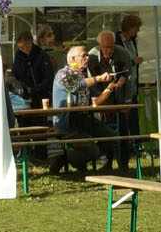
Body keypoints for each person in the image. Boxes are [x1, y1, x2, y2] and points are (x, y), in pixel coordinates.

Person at [48, 45, 115, 173]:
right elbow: (75, 86)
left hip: (84, 119)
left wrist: (110, 88)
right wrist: (98, 78)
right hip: (68, 123)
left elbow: (96, 101)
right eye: (83, 55)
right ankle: (63, 158)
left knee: (110, 136)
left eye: (87, 55)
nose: (87, 58)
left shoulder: (83, 76)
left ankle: (105, 166)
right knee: (92, 151)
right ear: (73, 59)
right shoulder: (63, 74)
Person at [91, 29, 139, 169]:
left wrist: (127, 103)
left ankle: (123, 163)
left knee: (123, 130)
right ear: (99, 45)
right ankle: (106, 162)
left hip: (119, 97)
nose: (109, 50)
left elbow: (130, 79)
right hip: (101, 98)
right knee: (103, 131)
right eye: (105, 47)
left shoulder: (123, 54)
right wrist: (97, 102)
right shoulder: (92, 56)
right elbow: (90, 81)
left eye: (111, 47)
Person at [11, 30, 56, 106]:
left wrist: (35, 89)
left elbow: (49, 78)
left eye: (23, 47)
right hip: (23, 97)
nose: (21, 49)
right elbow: (14, 74)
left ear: (30, 43)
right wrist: (18, 86)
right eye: (19, 47)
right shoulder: (18, 56)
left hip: (41, 96)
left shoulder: (42, 56)